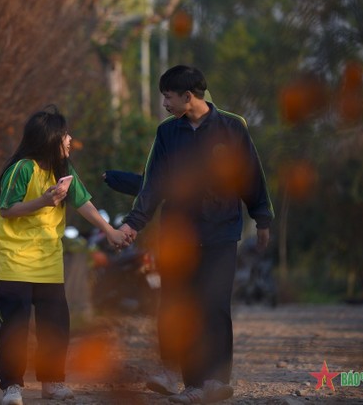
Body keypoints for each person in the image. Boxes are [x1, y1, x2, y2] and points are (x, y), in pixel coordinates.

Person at [117, 65, 274, 404]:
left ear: (188, 97)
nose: (164, 103)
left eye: (168, 96)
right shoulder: (167, 133)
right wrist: (133, 223)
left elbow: (250, 176)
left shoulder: (233, 127)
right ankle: (191, 385)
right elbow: (153, 184)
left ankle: (216, 381)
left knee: (215, 306)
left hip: (221, 232)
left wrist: (262, 219)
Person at [0, 106, 131, 405]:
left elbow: (84, 203)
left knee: (55, 326)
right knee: (15, 328)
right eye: (65, 134)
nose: (70, 140)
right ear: (49, 138)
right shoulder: (22, 168)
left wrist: (110, 231)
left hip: (49, 263)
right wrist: (44, 200)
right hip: (15, 262)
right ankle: (12, 386)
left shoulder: (64, 171)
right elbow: (7, 209)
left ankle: (52, 382)